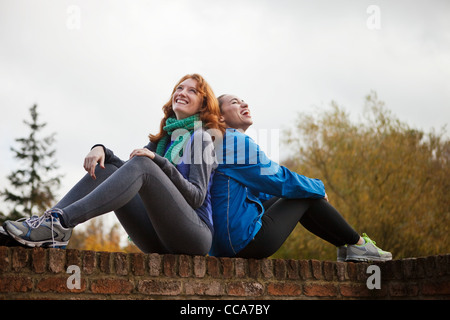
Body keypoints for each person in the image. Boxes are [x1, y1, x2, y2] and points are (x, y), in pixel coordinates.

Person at [3, 74, 225, 256]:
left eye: (192, 91)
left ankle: (60, 223)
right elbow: (126, 174)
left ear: (203, 104)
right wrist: (102, 150)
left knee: (144, 164)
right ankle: (49, 225)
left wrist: (159, 162)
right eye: (179, 88)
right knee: (107, 168)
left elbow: (197, 196)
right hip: (156, 237)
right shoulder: (162, 141)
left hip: (194, 236)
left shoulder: (202, 137)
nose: (182, 93)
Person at [209, 94, 392, 262]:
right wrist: (317, 188)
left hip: (223, 243)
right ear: (221, 117)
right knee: (303, 194)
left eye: (242, 100)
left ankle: (349, 247)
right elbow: (278, 179)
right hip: (242, 241)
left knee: (300, 192)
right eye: (234, 102)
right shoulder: (234, 141)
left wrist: (307, 190)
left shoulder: (221, 143)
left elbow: (260, 192)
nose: (244, 103)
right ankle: (358, 244)